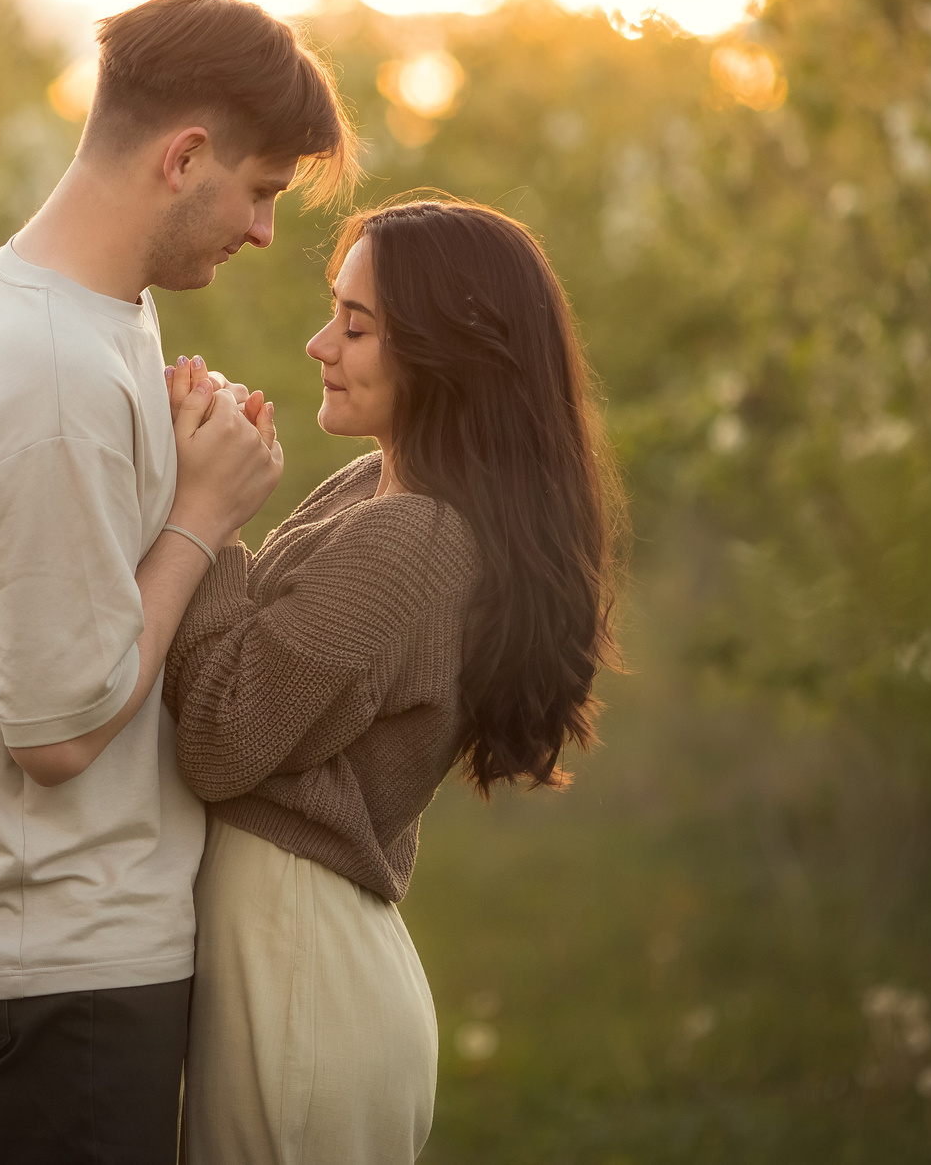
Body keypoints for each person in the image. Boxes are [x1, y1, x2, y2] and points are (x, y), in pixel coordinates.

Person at [0, 0, 349, 1165]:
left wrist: (175, 458)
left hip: (55, 929)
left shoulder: (92, 317)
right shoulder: (52, 378)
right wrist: (202, 513)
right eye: (259, 194)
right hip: (59, 952)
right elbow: (55, 730)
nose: (258, 234)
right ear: (183, 157)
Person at [164, 195, 623, 1165]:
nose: (317, 343)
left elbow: (219, 737)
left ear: (448, 354)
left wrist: (206, 519)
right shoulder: (376, 490)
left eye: (356, 326)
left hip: (300, 974)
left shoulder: (409, 536)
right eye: (334, 311)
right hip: (294, 956)